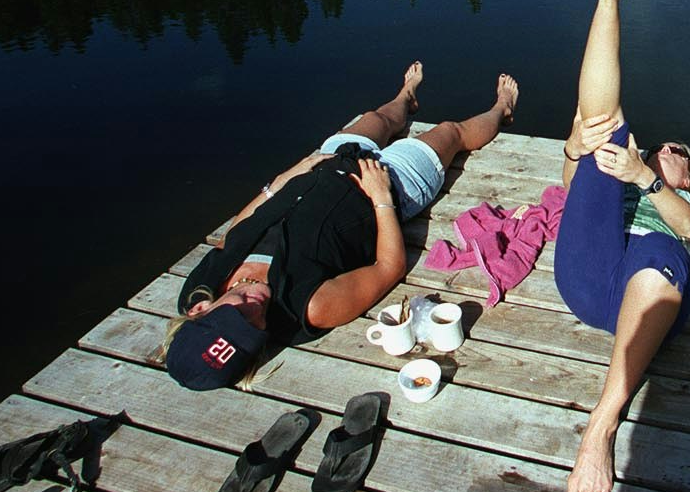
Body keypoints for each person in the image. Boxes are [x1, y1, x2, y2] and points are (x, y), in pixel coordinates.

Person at [165, 63, 518, 390]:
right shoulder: (308, 307)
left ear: (200, 311)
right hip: (386, 187)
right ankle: (501, 108)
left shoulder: (201, 288)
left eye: (236, 311)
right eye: (251, 327)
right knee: (450, 132)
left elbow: (236, 234)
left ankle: (405, 97)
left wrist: (281, 181)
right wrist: (382, 196)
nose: (254, 308)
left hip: (322, 167)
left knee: (375, 117)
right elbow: (388, 267)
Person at [554, 0, 690, 492]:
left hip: (649, 292)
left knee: (660, 255)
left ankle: (600, 428)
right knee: (598, 122)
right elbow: (576, 197)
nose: (672, 152)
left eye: (683, 156)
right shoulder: (632, 164)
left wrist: (646, 179)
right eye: (666, 148)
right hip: (588, 274)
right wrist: (579, 149)